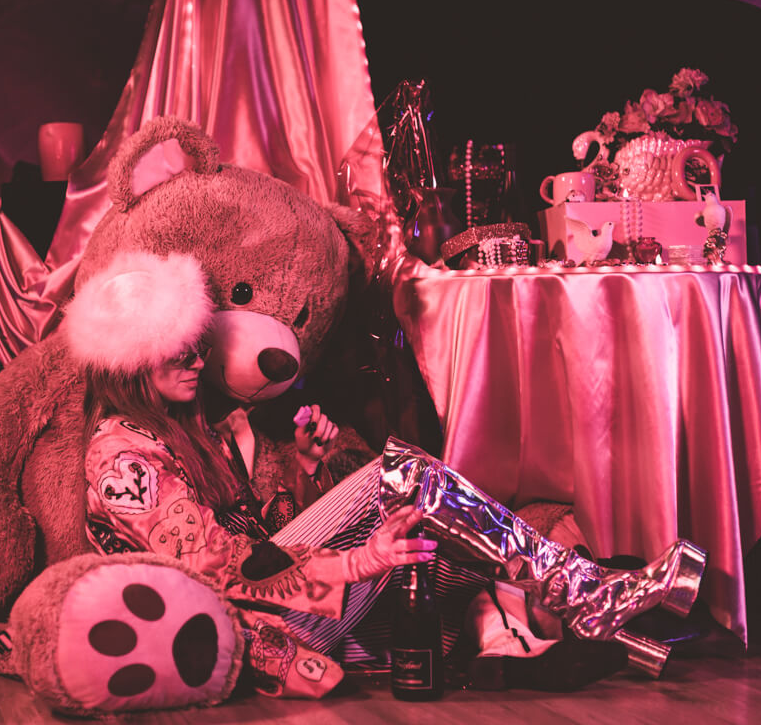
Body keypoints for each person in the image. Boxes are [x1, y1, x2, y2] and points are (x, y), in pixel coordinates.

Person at [65, 250, 707, 700]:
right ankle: (583, 589)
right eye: (176, 350)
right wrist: (357, 561)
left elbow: (262, 538)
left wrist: (308, 470)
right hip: (252, 630)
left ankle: (610, 628)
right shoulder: (122, 458)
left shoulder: (190, 432)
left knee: (429, 550)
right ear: (130, 362)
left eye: (197, 345)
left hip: (291, 613)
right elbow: (218, 566)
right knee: (396, 475)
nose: (197, 360)